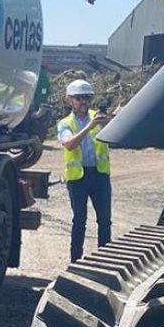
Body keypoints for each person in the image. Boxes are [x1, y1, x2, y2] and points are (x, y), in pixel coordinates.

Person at [56, 79, 113, 262]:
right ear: (69, 100)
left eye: (87, 98)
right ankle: (75, 260)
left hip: (99, 175)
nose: (84, 102)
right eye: (79, 98)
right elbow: (69, 144)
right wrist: (90, 127)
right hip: (77, 178)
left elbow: (115, 137)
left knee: (104, 221)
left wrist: (107, 124)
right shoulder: (65, 124)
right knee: (79, 221)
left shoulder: (98, 117)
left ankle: (104, 260)